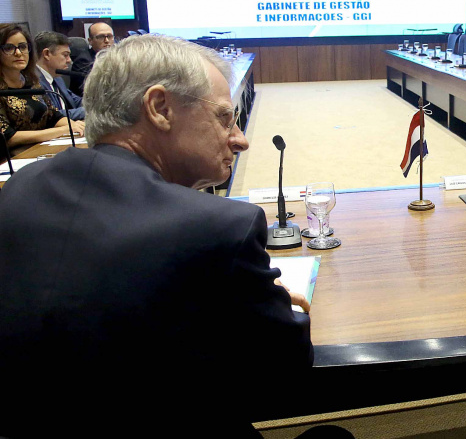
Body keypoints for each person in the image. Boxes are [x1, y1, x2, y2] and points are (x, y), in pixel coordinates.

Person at [0, 35, 320, 437]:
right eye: (224, 118)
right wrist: (281, 309)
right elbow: (284, 374)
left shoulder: (21, 186)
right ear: (159, 108)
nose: (240, 139)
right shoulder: (217, 226)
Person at [0, 23, 85, 156]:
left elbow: (53, 116)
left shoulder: (31, 82)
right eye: (9, 48)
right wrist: (62, 130)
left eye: (23, 47)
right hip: (10, 158)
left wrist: (74, 125)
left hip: (40, 150)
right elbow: (8, 137)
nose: (18, 53)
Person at [34, 30, 85, 120]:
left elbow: (75, 100)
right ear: (46, 54)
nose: (69, 60)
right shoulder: (33, 82)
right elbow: (51, 114)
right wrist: (90, 111)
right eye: (65, 55)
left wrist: (100, 105)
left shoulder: (57, 77)